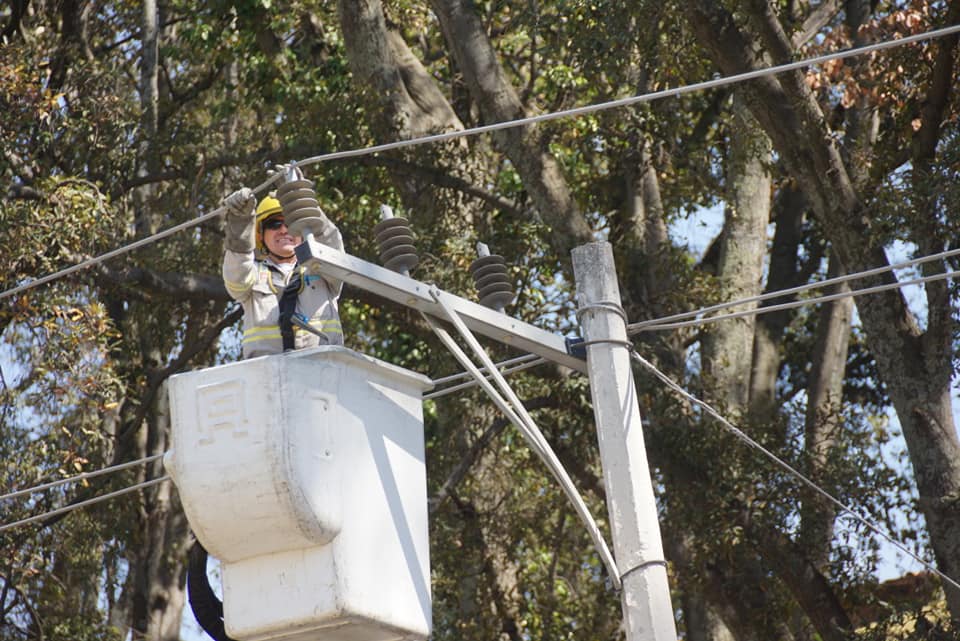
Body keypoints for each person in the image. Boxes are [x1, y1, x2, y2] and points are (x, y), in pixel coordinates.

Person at [221, 186, 344, 359]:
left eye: (290, 224)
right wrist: (241, 223)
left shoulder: (323, 270)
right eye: (274, 224)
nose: (284, 230)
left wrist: (303, 201)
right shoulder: (252, 276)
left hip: (324, 373)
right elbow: (236, 272)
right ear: (261, 236)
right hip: (267, 378)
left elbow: (333, 248)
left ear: (302, 232)